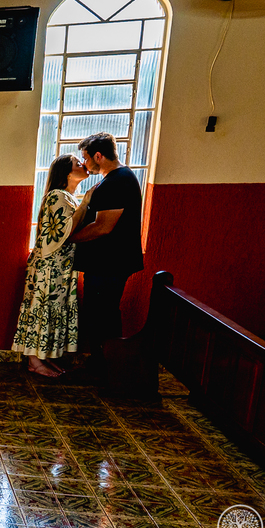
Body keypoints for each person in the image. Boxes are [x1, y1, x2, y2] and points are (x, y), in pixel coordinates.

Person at [70, 132, 145, 383]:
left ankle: (108, 368)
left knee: (104, 314)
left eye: (86, 157)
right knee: (98, 312)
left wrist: (70, 239)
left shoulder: (118, 181)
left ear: (98, 156)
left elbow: (103, 226)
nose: (84, 163)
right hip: (105, 262)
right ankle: (101, 364)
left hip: (110, 262)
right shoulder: (113, 179)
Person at [12, 154, 92, 377]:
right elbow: (64, 231)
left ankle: (43, 357)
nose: (83, 165)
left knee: (52, 309)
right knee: (43, 308)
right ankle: (34, 360)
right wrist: (85, 203)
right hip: (50, 266)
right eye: (78, 163)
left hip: (60, 265)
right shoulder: (58, 196)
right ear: (66, 172)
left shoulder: (67, 196)